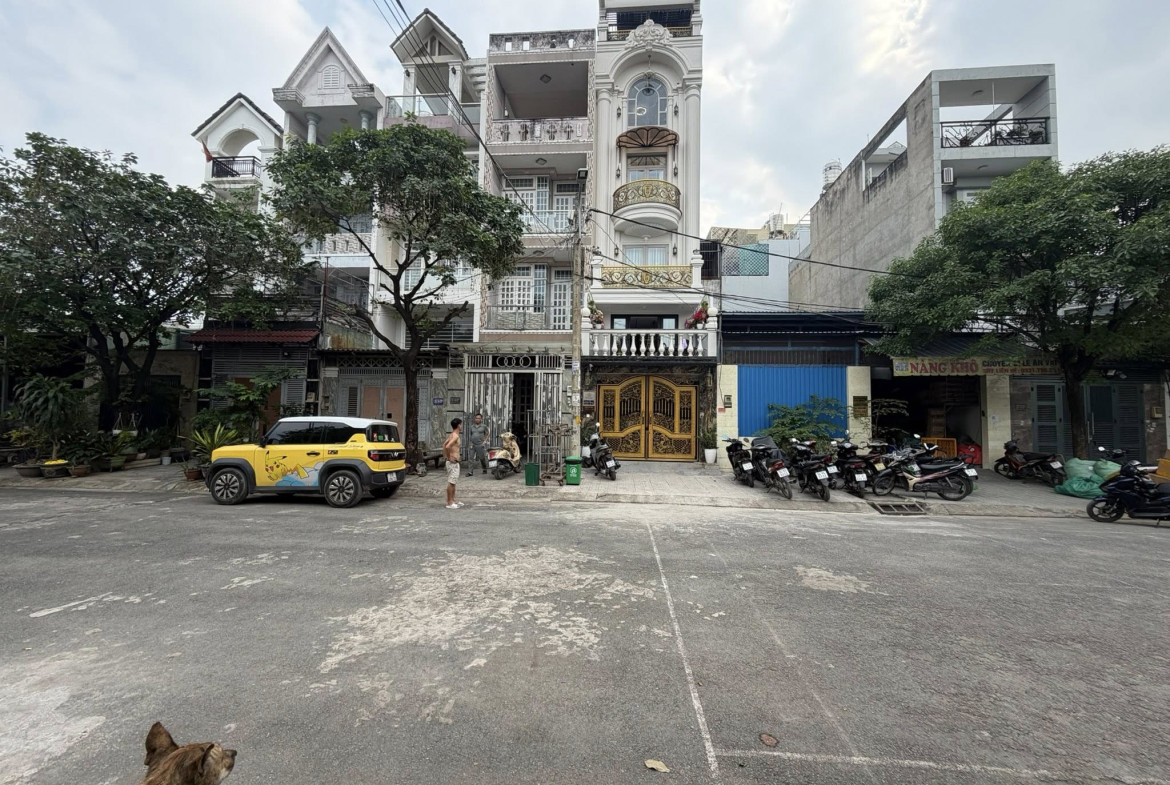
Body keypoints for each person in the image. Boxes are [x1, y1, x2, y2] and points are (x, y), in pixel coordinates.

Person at [443, 418, 463, 510]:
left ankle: (453, 500)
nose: (461, 426)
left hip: (454, 462)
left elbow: (444, 445)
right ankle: (449, 502)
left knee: (453, 482)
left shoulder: (452, 435)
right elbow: (447, 446)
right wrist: (449, 457)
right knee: (451, 482)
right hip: (453, 462)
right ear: (458, 425)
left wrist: (446, 456)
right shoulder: (455, 436)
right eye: (461, 424)